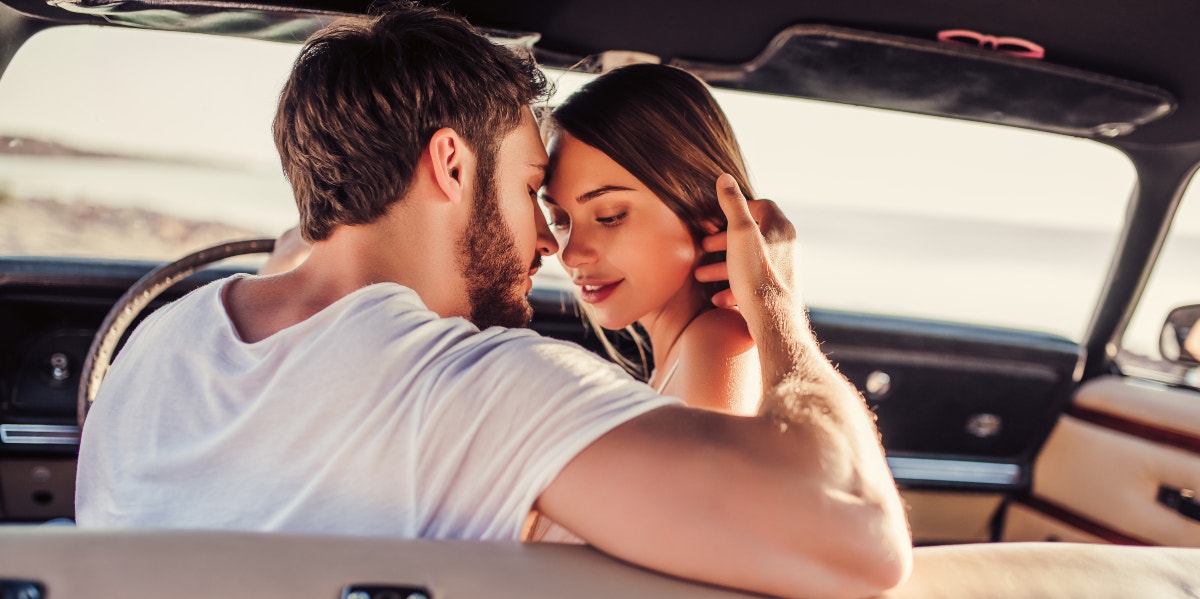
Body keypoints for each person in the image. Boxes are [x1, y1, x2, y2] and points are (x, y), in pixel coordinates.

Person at [74, 4, 913, 599]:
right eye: (531, 190)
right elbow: (861, 540)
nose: (550, 246)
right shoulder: (475, 391)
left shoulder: (158, 344)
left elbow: (308, 260)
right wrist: (777, 307)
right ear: (450, 164)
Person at [542, 63, 762, 416]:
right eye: (559, 220)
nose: (571, 256)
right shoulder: (681, 359)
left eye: (609, 216)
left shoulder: (719, 339)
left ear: (707, 209)